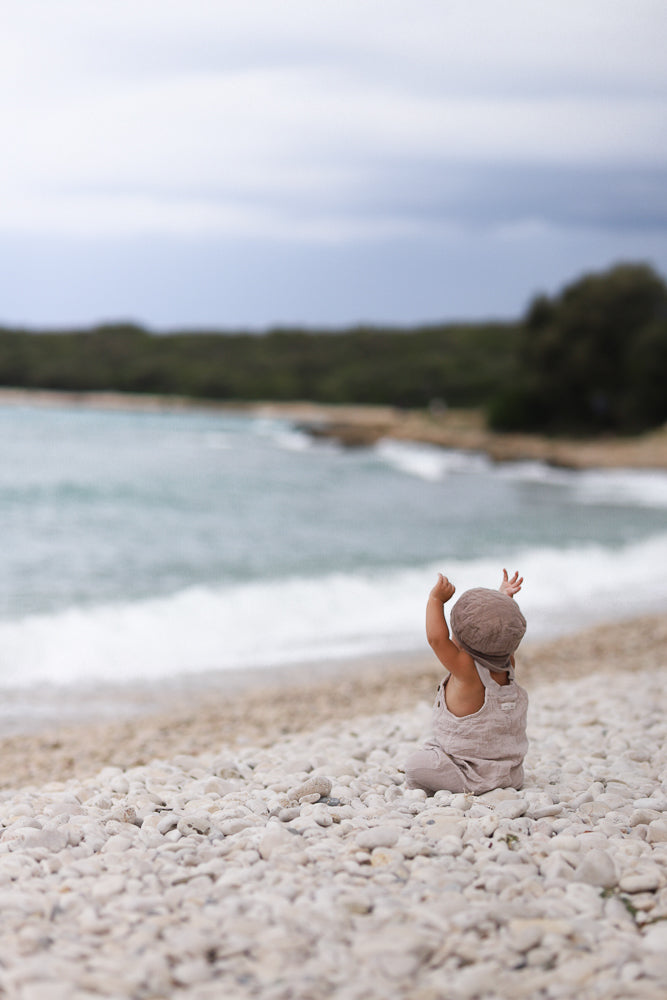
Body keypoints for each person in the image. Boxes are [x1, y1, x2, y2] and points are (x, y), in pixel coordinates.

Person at [404, 569, 528, 795]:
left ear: (459, 641)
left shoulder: (467, 672)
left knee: (415, 765)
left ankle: (458, 782)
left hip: (471, 773)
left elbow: (436, 639)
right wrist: (503, 602)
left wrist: (435, 601)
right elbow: (498, 634)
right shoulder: (507, 664)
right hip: (510, 772)